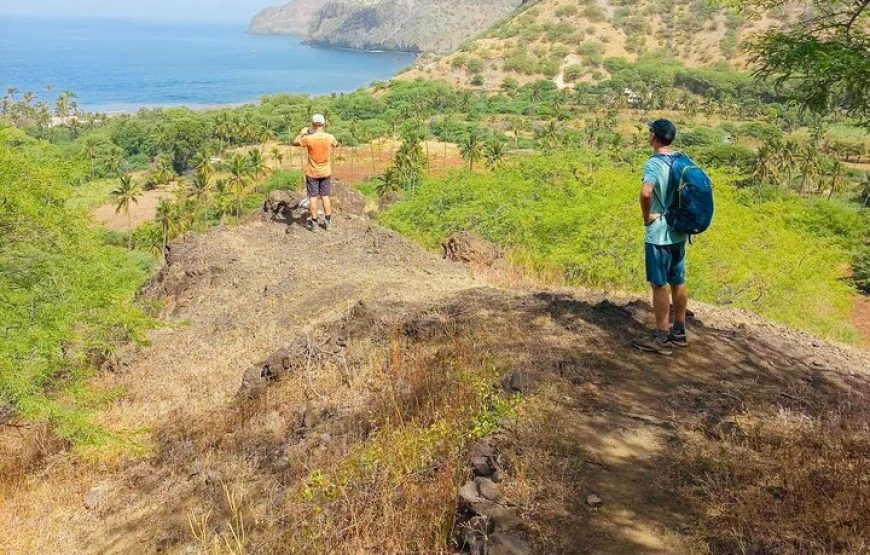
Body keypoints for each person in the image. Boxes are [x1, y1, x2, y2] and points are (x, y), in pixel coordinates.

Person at [632, 119, 688, 356]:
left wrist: (647, 216)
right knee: (678, 279)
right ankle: (679, 331)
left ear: (653, 136)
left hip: (659, 233)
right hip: (679, 230)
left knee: (658, 284)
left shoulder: (654, 163)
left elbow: (646, 193)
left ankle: (662, 337)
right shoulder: (682, 159)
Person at [293, 114, 339, 231]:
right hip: (325, 172)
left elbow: (295, 142)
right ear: (324, 124)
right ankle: (327, 222)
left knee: (313, 198)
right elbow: (336, 144)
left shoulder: (308, 138)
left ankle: (314, 224)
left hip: (312, 172)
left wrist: (302, 132)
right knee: (325, 197)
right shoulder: (329, 137)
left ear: (313, 125)